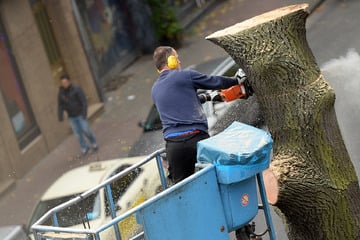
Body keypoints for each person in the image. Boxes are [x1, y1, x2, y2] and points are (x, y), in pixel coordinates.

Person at [151, 46, 242, 183]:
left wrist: (206, 98)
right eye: (177, 58)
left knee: (181, 188)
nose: (179, 61)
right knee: (215, 179)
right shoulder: (185, 75)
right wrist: (237, 80)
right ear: (171, 61)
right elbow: (215, 81)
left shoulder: (155, 89)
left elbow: (179, 102)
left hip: (174, 147)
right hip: (197, 139)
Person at [58, 74, 98, 156]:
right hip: (71, 117)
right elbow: (60, 105)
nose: (64, 84)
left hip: (80, 114)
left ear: (69, 82)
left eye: (65, 82)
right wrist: (60, 115)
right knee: (78, 134)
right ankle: (85, 148)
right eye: (62, 83)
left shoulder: (76, 89)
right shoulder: (61, 93)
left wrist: (84, 113)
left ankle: (93, 142)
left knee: (86, 130)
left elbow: (83, 101)